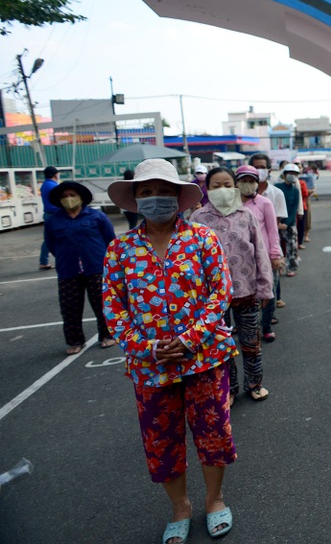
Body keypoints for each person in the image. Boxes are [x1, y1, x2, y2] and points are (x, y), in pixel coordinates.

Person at [103, 158, 238, 544]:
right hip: (151, 367)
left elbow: (220, 292)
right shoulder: (120, 249)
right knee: (161, 441)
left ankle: (214, 499)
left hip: (204, 357)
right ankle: (180, 507)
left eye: (164, 191)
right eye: (147, 191)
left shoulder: (202, 238)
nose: (156, 198)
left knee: (213, 433)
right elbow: (113, 307)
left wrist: (191, 339)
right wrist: (146, 348)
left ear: (178, 197)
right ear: (135, 199)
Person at [190, 167, 274, 405]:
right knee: (222, 347)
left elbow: (260, 253)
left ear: (235, 187)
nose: (223, 190)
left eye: (227, 185)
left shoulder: (246, 215)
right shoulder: (197, 219)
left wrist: (265, 288)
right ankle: (230, 388)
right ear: (206, 189)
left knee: (251, 343)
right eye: (216, 186)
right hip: (213, 299)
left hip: (247, 292)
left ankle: (255, 384)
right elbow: (191, 260)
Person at [44, 180, 116, 353]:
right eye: (64, 196)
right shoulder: (54, 221)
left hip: (96, 267)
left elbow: (110, 240)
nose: (69, 199)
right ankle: (75, 341)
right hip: (68, 270)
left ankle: (107, 335)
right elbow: (51, 245)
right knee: (70, 308)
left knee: (102, 304)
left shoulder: (97, 216)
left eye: (72, 195)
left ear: (81, 197)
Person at [236, 165, 285, 343]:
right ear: (237, 183)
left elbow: (273, 230)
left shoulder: (265, 203)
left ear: (257, 183)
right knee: (245, 295)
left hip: (265, 257)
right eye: (243, 181)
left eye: (251, 181)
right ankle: (248, 328)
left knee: (268, 293)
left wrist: (275, 255)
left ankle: (267, 327)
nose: (247, 184)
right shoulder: (233, 204)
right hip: (242, 259)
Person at [249, 153, 288, 313]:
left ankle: (268, 316)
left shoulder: (276, 193)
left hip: (269, 245)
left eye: (262, 167)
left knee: (271, 282)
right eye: (256, 167)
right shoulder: (242, 195)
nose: (259, 170)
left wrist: (275, 252)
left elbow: (274, 226)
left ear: (269, 170)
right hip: (248, 248)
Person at [275, 163, 302, 277]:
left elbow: (294, 209)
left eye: (295, 174)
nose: (292, 175)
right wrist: (277, 222)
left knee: (292, 247)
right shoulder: (277, 187)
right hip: (276, 222)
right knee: (277, 247)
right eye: (290, 173)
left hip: (290, 224)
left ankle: (291, 267)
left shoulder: (295, 190)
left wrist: (286, 223)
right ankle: (279, 267)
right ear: (285, 174)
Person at [38, 165, 59, 270]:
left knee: (48, 238)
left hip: (48, 213)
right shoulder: (53, 186)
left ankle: (43, 261)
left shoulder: (45, 185)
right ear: (55, 174)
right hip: (54, 213)